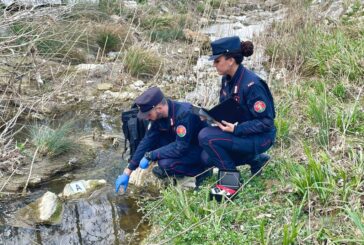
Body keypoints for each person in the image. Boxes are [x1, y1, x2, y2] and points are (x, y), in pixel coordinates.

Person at [198, 36, 276, 175]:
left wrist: (236, 129)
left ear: (231, 60)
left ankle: (231, 177)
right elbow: (229, 108)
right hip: (241, 132)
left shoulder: (252, 85)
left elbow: (266, 123)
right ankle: (255, 160)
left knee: (205, 136)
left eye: (217, 60)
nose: (214, 65)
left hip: (261, 137)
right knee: (206, 158)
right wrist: (212, 118)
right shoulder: (227, 79)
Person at [115, 86, 207, 193]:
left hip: (198, 149)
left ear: (159, 108)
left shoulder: (184, 113)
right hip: (183, 145)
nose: (147, 118)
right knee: (154, 142)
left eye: (148, 114)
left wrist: (151, 155)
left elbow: (180, 147)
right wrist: (128, 171)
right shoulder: (159, 117)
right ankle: (180, 167)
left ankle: (200, 172)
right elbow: (147, 141)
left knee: (165, 164)